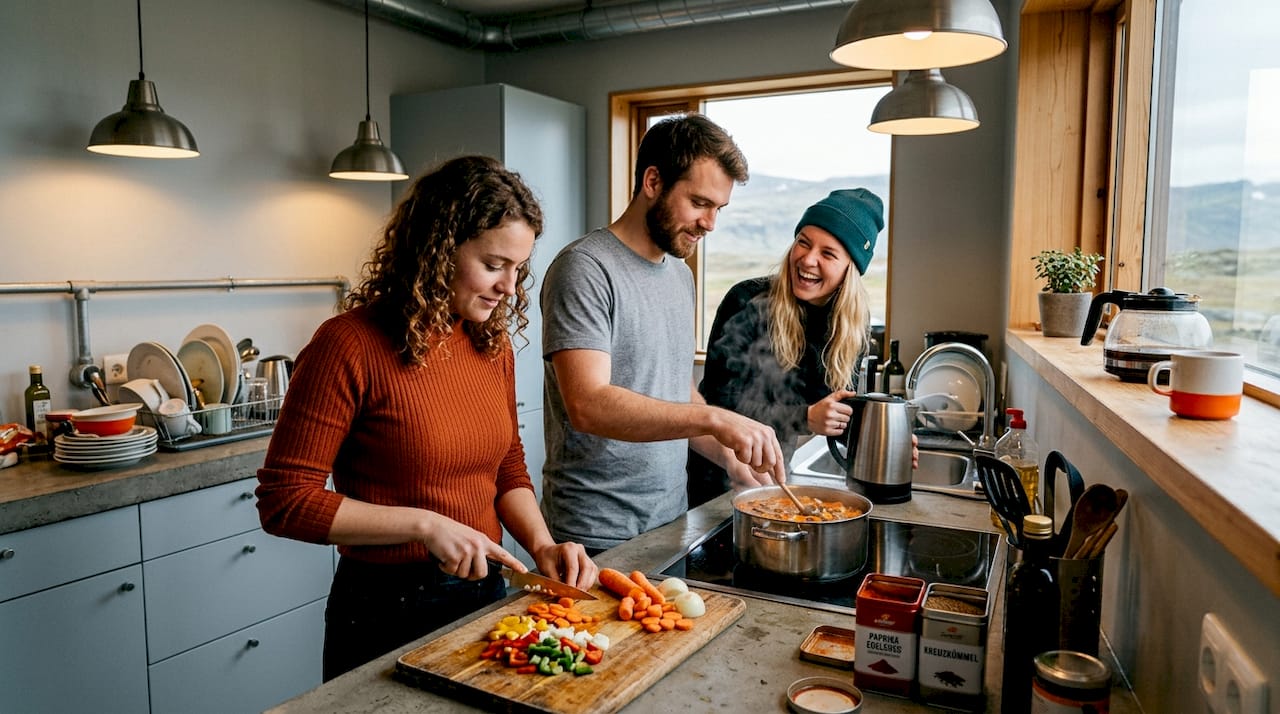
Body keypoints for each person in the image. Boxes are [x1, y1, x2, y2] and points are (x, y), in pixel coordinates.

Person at [255, 155, 597, 682]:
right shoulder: (347, 345)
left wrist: (543, 546)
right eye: (494, 264)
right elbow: (285, 501)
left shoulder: (490, 343)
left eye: (518, 268)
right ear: (437, 250)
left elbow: (506, 466)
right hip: (385, 610)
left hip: (485, 594)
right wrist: (425, 525)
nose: (510, 286)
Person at [539, 114, 787, 554]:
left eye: (718, 208)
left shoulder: (679, 275)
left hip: (672, 522)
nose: (710, 223)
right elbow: (588, 404)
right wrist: (718, 419)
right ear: (652, 181)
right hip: (594, 533)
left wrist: (731, 456)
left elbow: (675, 391)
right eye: (699, 202)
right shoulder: (585, 269)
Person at [690, 188, 905, 506]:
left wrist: (890, 443)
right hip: (712, 478)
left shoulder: (850, 330)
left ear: (850, 268)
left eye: (828, 253)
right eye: (803, 242)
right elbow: (721, 405)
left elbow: (839, 416)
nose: (808, 259)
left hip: (774, 477)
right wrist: (804, 417)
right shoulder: (746, 301)